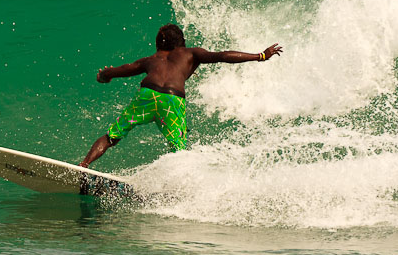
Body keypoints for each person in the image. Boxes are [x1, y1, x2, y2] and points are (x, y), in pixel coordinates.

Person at [79, 24, 282, 168]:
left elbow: (123, 69)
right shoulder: (190, 54)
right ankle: (177, 188)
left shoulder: (151, 59)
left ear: (158, 44)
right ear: (181, 43)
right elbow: (222, 56)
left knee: (111, 136)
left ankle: (85, 164)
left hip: (147, 95)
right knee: (178, 149)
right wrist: (260, 56)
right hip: (172, 101)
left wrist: (106, 75)